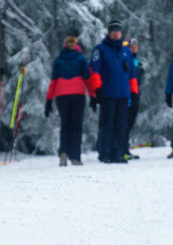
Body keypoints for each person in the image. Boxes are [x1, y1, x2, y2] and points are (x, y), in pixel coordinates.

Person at [88, 20, 138, 164]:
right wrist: (98, 90)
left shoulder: (126, 52)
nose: (116, 34)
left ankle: (117, 153)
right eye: (113, 31)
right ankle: (105, 153)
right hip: (108, 94)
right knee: (107, 124)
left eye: (118, 31)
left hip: (123, 94)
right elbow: (94, 71)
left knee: (120, 125)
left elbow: (132, 74)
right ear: (109, 33)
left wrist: (134, 92)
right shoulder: (100, 49)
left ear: (121, 33)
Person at [45, 36, 91, 166]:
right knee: (76, 125)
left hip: (61, 94)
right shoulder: (81, 59)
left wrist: (48, 99)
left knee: (65, 125)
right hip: (77, 93)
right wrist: (93, 95)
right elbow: (87, 78)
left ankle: (63, 154)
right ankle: (75, 157)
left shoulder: (59, 60)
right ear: (77, 46)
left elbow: (53, 81)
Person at [123, 38, 142, 160]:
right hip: (127, 94)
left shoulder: (137, 61)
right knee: (124, 123)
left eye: (135, 46)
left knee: (129, 123)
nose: (134, 49)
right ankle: (122, 149)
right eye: (131, 47)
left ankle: (125, 148)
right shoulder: (125, 60)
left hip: (135, 94)